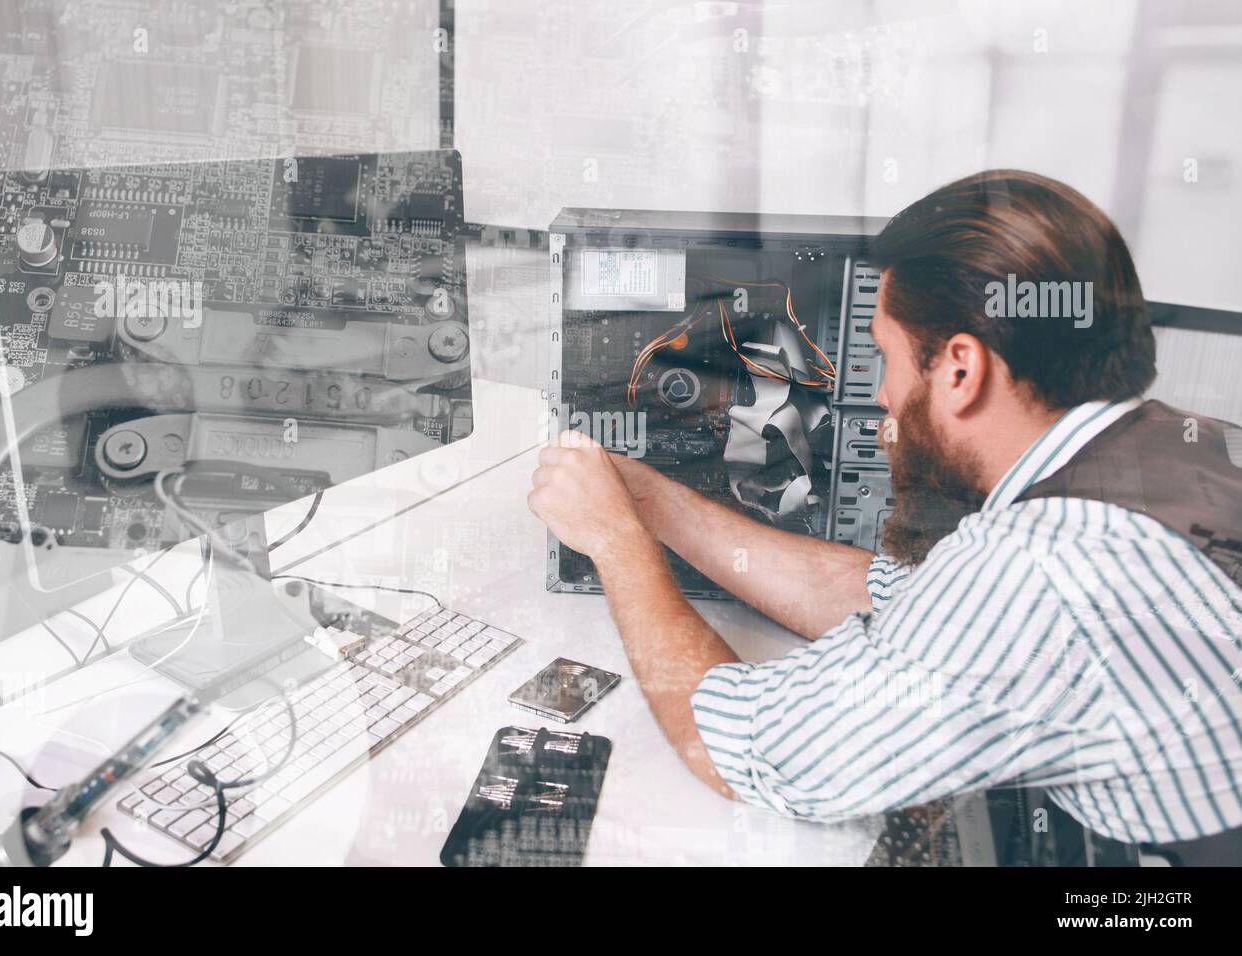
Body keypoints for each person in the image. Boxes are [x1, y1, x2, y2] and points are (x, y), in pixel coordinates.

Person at [528, 169, 1242, 848]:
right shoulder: (1174, 446)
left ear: (960, 370)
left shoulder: (1040, 570)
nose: (875, 397)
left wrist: (620, 546)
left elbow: (743, 751)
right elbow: (902, 599)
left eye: (886, 357)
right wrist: (650, 503)